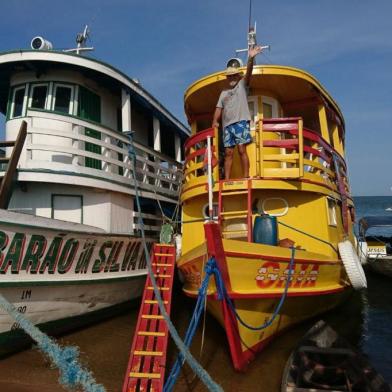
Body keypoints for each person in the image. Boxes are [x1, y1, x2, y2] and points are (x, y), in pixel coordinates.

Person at [212, 46, 263, 180]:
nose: (232, 78)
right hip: (227, 126)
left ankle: (246, 176)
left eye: (234, 75)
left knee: (241, 149)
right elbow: (218, 109)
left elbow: (249, 72)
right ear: (227, 78)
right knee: (228, 153)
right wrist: (215, 121)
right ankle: (227, 179)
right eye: (229, 76)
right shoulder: (223, 94)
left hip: (240, 122)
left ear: (238, 76)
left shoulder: (242, 85)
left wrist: (251, 58)